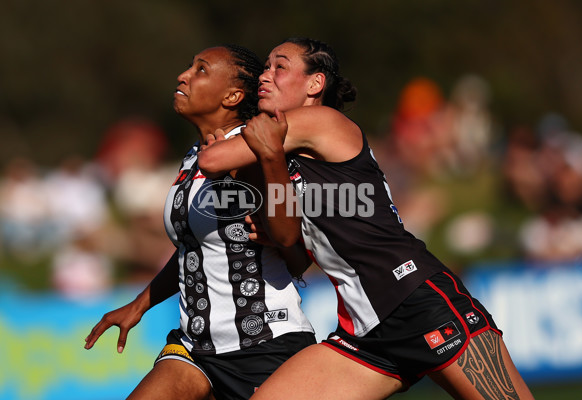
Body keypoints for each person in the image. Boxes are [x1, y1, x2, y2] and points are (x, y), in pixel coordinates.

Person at [197, 38, 534, 399]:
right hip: (364, 330)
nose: (266, 75)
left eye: (280, 66)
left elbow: (212, 160)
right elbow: (289, 247)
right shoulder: (280, 156)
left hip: (417, 299)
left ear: (315, 84)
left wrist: (215, 123)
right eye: (265, 66)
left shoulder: (319, 120)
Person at [84, 44, 316, 400]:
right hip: (195, 347)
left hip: (263, 345)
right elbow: (197, 249)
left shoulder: (252, 149)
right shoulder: (195, 156)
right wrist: (140, 303)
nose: (184, 76)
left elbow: (292, 243)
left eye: (201, 70)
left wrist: (270, 163)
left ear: (234, 95)